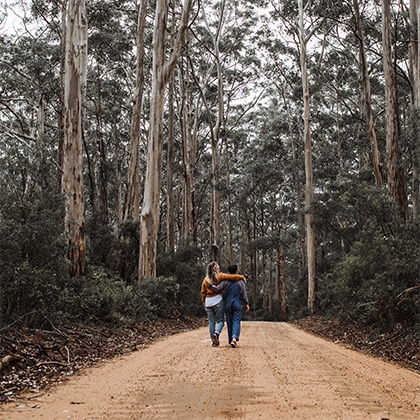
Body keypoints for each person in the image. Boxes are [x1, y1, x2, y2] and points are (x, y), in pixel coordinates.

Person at [201, 261, 245, 347]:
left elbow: (203, 292)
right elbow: (232, 276)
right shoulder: (220, 276)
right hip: (217, 301)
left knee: (211, 322)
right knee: (220, 321)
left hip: (208, 302)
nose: (219, 267)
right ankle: (217, 333)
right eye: (218, 266)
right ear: (216, 268)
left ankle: (213, 341)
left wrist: (204, 302)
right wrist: (242, 277)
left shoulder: (205, 280)